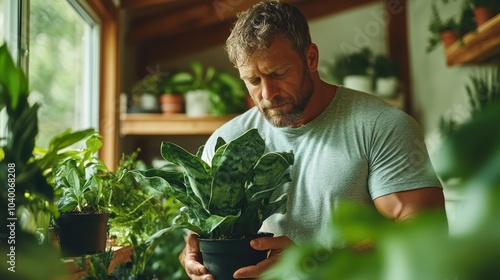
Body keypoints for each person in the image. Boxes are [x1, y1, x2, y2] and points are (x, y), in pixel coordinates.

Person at [179, 1, 447, 279]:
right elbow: (197, 241)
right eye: (254, 81)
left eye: (278, 73)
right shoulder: (226, 141)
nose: (268, 94)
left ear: (311, 58)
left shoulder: (381, 126)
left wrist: (313, 259)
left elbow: (425, 231)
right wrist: (190, 258)